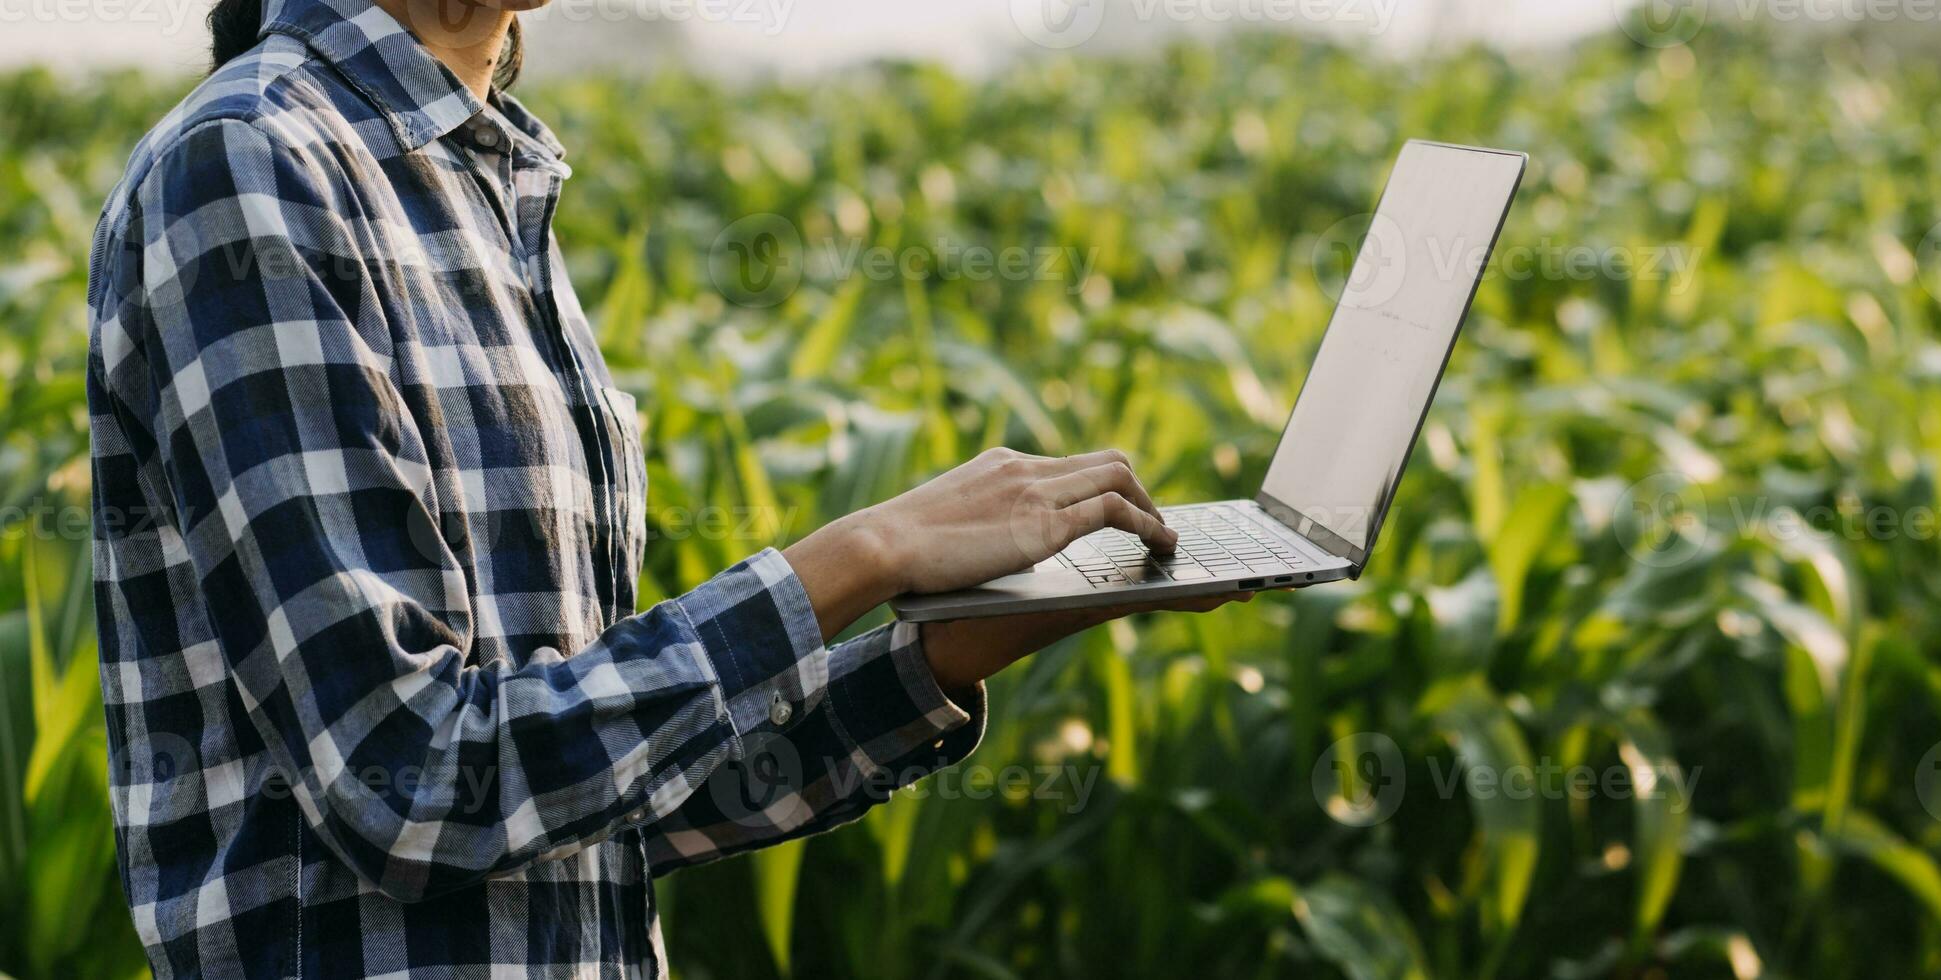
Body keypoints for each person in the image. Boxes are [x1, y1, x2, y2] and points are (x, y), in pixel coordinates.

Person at [84, 0, 1244, 975]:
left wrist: (949, 649)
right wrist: (861, 554)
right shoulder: (248, 165)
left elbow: (589, 804)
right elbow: (417, 779)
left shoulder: (479, 178)